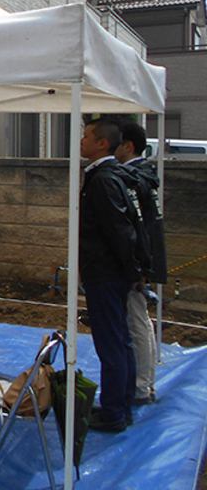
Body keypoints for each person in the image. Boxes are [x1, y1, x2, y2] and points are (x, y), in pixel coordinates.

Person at [79, 117, 145, 433]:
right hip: (112, 271)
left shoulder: (104, 179)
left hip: (105, 272)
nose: (81, 140)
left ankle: (114, 411)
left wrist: (131, 269)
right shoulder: (111, 175)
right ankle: (123, 403)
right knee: (121, 339)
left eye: (86, 136)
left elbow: (120, 229)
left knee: (111, 343)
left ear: (102, 143)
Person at [115, 121, 166, 407]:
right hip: (144, 258)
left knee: (137, 321)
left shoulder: (134, 177)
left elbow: (137, 226)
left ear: (128, 145)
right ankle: (143, 382)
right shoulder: (145, 174)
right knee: (139, 320)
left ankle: (141, 386)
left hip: (137, 261)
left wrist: (139, 267)